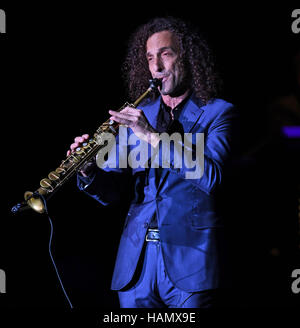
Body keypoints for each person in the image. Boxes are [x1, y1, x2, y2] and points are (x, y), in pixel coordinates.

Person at [68, 16, 239, 308]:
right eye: (150, 58)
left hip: (192, 262)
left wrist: (152, 136)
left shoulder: (219, 113)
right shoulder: (137, 115)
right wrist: (88, 170)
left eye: (166, 54)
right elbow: (111, 194)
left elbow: (212, 178)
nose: (156, 68)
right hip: (137, 265)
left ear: (187, 57)